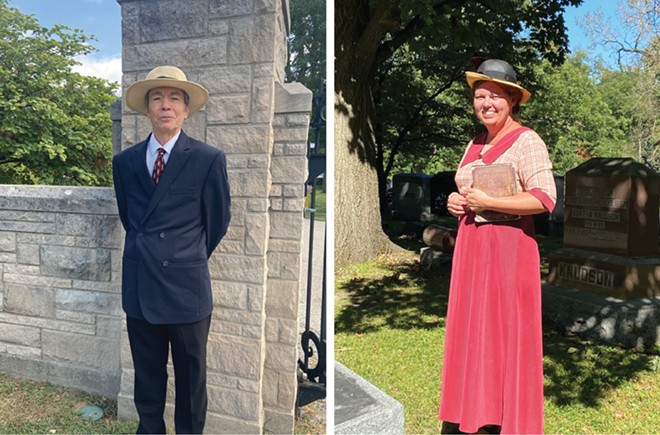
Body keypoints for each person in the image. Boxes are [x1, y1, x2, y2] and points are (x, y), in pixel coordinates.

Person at [438, 59, 556, 434]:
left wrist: (489, 202)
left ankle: (506, 416)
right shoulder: (474, 144)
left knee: (504, 332)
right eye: (480, 96)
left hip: (508, 252)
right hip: (472, 248)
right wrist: (456, 202)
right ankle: (472, 408)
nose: (486, 103)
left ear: (513, 101)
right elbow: (468, 192)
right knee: (473, 329)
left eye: (496, 96)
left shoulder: (527, 141)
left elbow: (544, 199)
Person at [112, 65, 231, 434]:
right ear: (147, 108)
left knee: (191, 383)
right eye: (157, 97)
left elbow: (216, 223)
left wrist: (183, 257)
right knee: (146, 381)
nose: (166, 104)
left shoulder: (208, 159)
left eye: (174, 97)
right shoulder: (125, 162)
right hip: (140, 288)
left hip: (186, 292)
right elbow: (130, 219)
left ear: (185, 109)